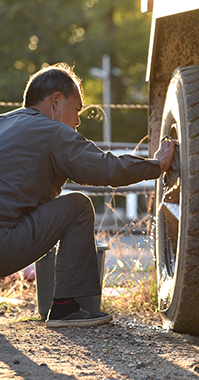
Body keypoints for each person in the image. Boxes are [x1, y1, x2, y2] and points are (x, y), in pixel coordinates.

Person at [0, 63, 175, 327]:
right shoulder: (53, 131)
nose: (78, 121)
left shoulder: (4, 122)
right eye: (77, 109)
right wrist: (155, 165)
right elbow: (105, 169)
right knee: (78, 206)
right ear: (56, 102)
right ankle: (65, 308)